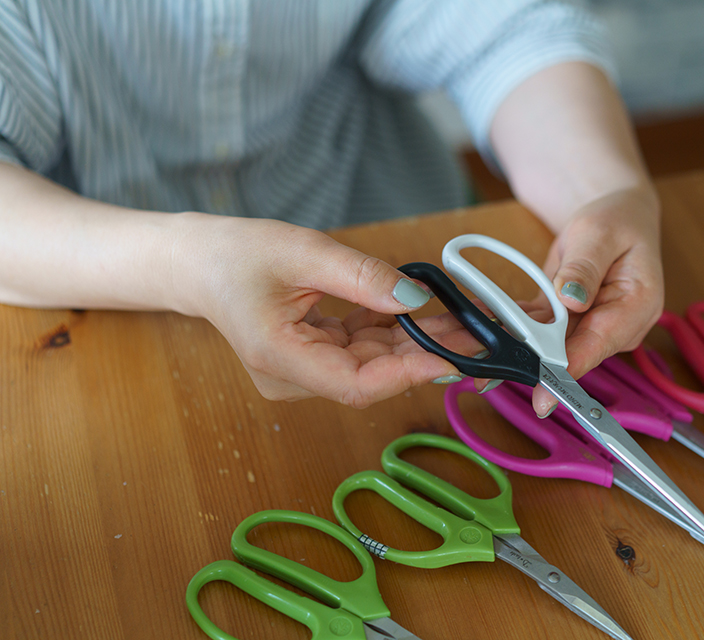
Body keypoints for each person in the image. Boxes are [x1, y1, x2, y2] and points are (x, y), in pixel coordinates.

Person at [0, 0, 663, 417]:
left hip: (394, 245)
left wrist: (603, 191)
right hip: (90, 328)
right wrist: (189, 264)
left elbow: (507, 32)